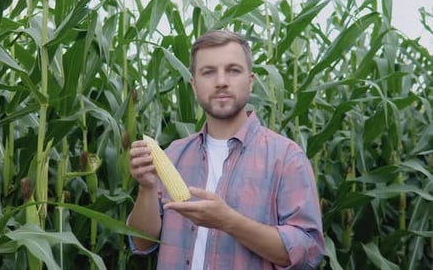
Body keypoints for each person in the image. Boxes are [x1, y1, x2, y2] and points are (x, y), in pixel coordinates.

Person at [127, 29, 325, 269]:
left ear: (250, 81)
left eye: (233, 70)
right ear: (194, 84)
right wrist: (146, 188)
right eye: (208, 72)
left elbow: (308, 252)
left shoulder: (286, 158)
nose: (221, 82)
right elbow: (142, 244)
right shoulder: (174, 154)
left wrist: (229, 221)